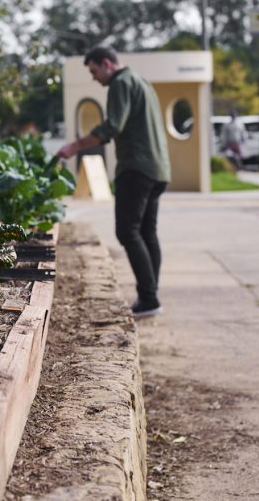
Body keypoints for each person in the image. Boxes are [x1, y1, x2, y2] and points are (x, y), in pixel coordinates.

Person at [56, 47, 171, 318]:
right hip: (159, 168)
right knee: (146, 232)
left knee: (127, 232)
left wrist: (75, 146)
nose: (95, 78)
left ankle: (149, 297)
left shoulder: (120, 83)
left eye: (94, 71)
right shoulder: (142, 82)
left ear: (106, 63)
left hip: (136, 167)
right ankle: (150, 296)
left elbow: (112, 127)